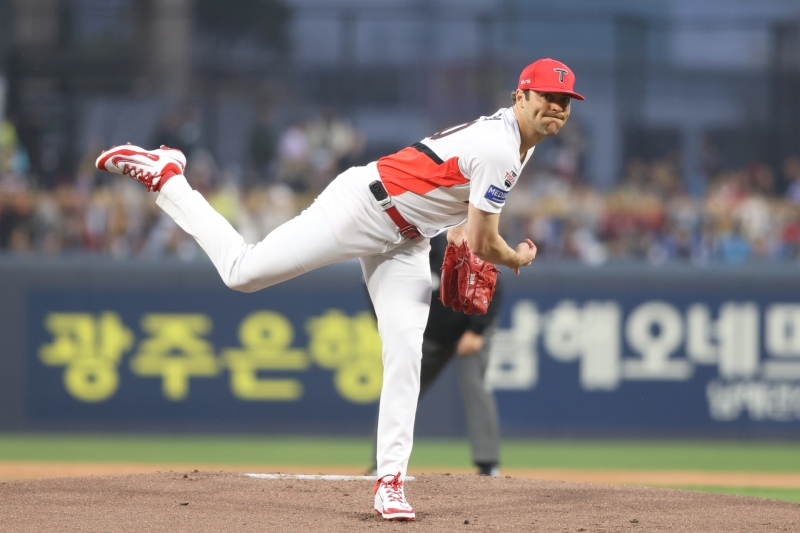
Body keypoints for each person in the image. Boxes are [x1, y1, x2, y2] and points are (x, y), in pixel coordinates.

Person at [95, 58, 583, 521]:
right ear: (520, 96)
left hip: (409, 239)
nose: (557, 107)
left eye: (564, 100)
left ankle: (390, 481)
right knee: (242, 272)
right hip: (363, 208)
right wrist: (515, 257)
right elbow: (483, 241)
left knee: (405, 352)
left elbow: (456, 187)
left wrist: (454, 226)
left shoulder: (518, 139)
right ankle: (167, 177)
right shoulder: (503, 147)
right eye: (547, 96)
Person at [367, 232, 504, 477]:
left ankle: (488, 464)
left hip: (469, 326)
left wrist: (477, 330)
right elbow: (374, 293)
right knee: (399, 385)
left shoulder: (448, 246)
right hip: (427, 335)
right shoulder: (392, 252)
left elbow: (492, 283)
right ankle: (381, 463)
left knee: (475, 387)